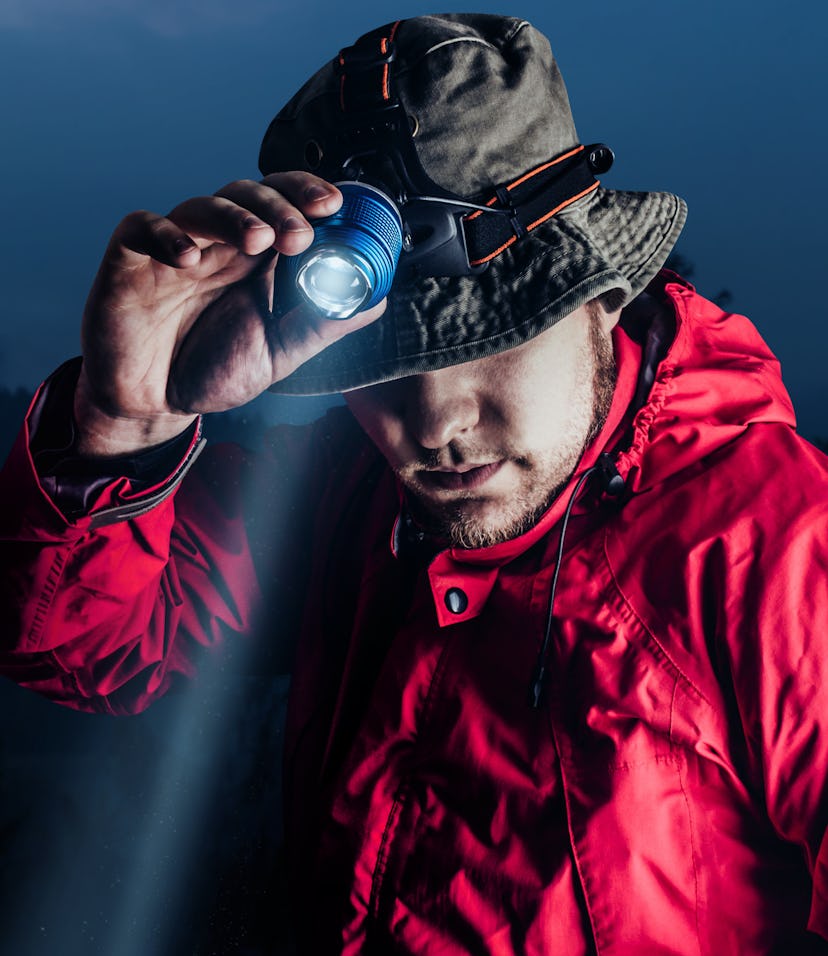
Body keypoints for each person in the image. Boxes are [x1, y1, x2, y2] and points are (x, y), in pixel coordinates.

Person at [1, 12, 827, 955]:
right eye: (378, 368)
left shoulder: (779, 552)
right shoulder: (345, 493)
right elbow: (81, 652)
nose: (432, 425)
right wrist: (128, 420)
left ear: (603, 292)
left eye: (498, 338)